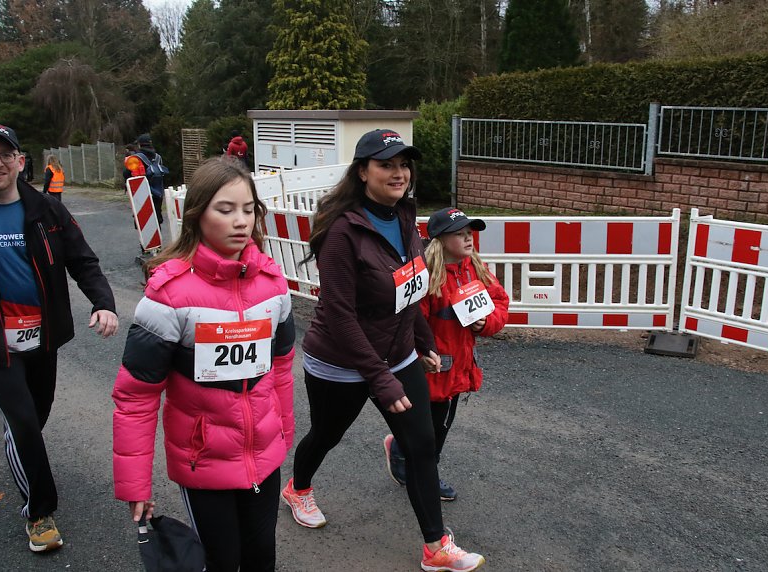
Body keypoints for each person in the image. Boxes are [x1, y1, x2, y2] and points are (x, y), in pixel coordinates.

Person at [279, 129, 486, 572]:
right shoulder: (343, 232)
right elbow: (339, 313)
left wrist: (423, 340)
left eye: (404, 165)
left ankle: (436, 547)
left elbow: (407, 288)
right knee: (327, 434)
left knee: (421, 444)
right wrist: (378, 378)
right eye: (387, 165)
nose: (399, 173)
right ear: (362, 172)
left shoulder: (405, 217)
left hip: (398, 354)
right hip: (341, 361)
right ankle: (297, 487)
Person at [112, 157, 296, 572]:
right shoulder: (167, 296)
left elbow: (282, 367)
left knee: (261, 559)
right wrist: (135, 484)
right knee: (221, 562)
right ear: (197, 215)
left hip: (264, 459)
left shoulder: (273, 285)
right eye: (225, 209)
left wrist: (283, 433)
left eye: (248, 210)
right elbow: (135, 397)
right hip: (203, 463)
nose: (240, 221)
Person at [0, 123, 118, 553]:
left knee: (37, 413)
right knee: (23, 422)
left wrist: (104, 302)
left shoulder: (46, 210)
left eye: (6, 154)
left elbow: (83, 259)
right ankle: (39, 512)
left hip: (43, 335)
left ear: (21, 161)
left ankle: (22, 445)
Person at [383, 207, 509, 502]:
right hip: (427, 368)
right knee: (427, 429)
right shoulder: (428, 278)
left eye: (470, 233)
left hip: (457, 370)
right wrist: (420, 352)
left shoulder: (475, 269)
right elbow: (408, 321)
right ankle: (423, 474)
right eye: (460, 234)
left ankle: (411, 459)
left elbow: (500, 303)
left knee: (437, 428)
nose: (469, 239)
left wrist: (486, 322)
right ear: (440, 239)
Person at [132, 134, 168, 225]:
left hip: (142, 194)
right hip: (157, 193)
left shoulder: (136, 158)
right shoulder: (158, 158)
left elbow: (127, 174)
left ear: (140, 145)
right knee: (156, 221)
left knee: (144, 224)